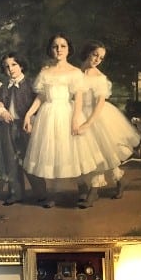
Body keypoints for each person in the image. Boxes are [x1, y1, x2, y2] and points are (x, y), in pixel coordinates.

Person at [72, 41, 141, 207]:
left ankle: (94, 191)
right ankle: (120, 180)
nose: (97, 60)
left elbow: (100, 104)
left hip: (96, 116)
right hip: (76, 113)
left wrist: (88, 123)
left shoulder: (99, 77)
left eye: (101, 58)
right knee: (86, 154)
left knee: (99, 153)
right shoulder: (76, 72)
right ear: (88, 52)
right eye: (95, 55)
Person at [22, 33, 86, 208]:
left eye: (63, 46)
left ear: (69, 49)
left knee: (73, 151)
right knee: (52, 153)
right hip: (48, 114)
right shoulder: (45, 72)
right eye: (55, 46)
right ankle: (54, 193)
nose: (59, 49)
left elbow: (79, 98)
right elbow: (41, 97)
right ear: (50, 50)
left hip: (67, 112)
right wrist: (28, 114)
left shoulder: (75, 72)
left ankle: (83, 189)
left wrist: (75, 119)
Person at [0, 52, 47, 205]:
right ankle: (16, 193)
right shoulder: (4, 87)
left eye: (14, 64)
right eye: (6, 67)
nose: (10, 69)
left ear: (21, 65)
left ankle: (41, 193)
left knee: (30, 159)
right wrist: (1, 110)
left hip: (26, 125)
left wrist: (32, 120)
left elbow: (40, 104)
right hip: (8, 126)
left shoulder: (31, 84)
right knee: (11, 159)